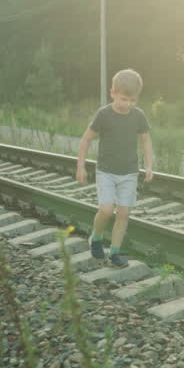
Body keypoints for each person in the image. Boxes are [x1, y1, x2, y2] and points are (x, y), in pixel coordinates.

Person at [76, 69, 154, 267]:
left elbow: (146, 140)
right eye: (123, 99)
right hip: (106, 172)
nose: (127, 104)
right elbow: (86, 139)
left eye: (132, 100)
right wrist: (81, 167)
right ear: (113, 93)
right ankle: (96, 237)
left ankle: (115, 252)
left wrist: (149, 165)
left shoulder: (138, 116)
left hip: (129, 172)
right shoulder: (104, 114)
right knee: (106, 209)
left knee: (123, 213)